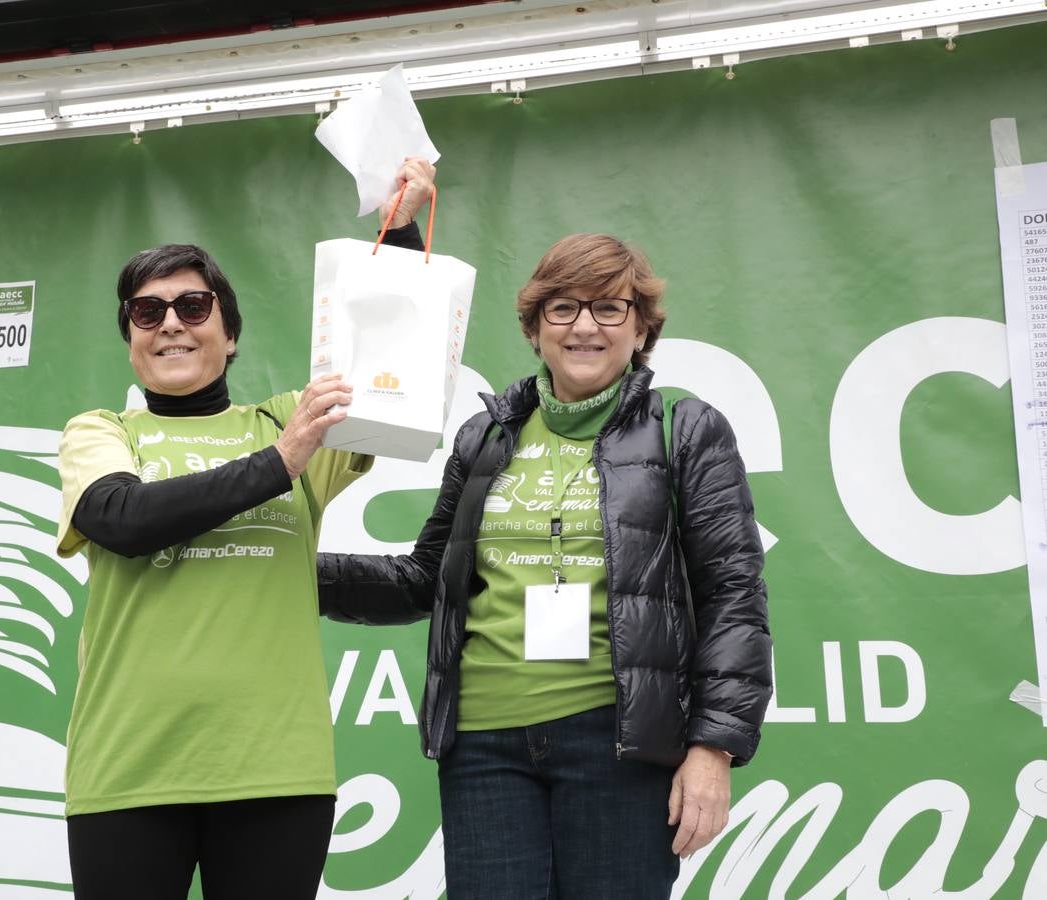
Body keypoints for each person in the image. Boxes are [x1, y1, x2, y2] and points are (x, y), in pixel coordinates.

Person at [319, 233, 772, 898]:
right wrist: (291, 566)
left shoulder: (685, 426)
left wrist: (715, 747)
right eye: (562, 308)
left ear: (641, 327)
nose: (585, 326)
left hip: (617, 739)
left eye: (609, 308)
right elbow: (425, 579)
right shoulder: (487, 436)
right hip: (483, 743)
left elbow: (732, 591)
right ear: (534, 328)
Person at [55, 159, 437, 899]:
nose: (170, 322)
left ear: (229, 335)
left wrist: (400, 226)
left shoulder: (288, 418)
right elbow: (123, 520)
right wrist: (278, 462)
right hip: (126, 771)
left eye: (194, 307)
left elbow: (400, 366)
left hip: (277, 770)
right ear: (131, 339)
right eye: (147, 312)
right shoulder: (101, 430)